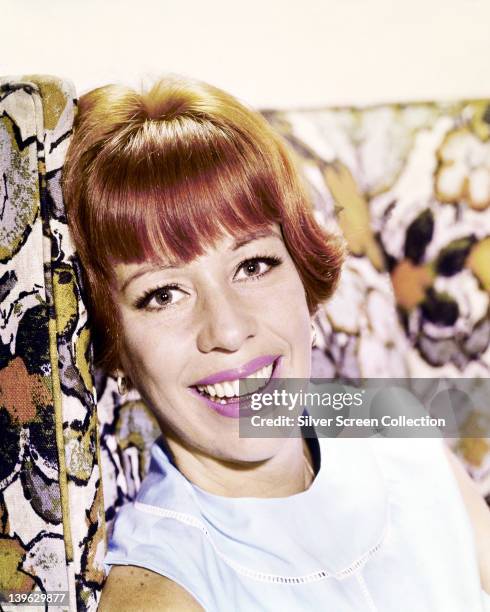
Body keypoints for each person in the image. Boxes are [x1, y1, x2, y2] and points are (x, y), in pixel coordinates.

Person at [62, 75, 490, 611]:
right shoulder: (162, 593)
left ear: (304, 282)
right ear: (118, 347)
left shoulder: (391, 427)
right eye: (163, 294)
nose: (227, 330)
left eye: (253, 264)